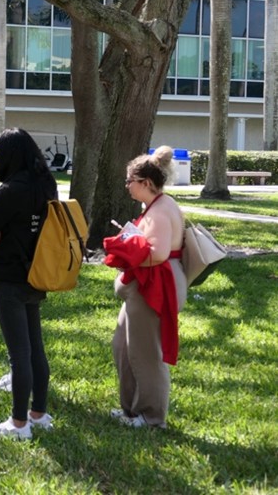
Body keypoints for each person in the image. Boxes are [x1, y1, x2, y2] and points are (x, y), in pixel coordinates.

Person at [0, 128, 57, 440]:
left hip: (10, 274)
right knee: (35, 347)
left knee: (18, 353)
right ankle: (39, 412)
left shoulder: (12, 189)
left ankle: (19, 424)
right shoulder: (46, 186)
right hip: (39, 272)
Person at [108, 146, 187, 429]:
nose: (127, 186)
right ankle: (131, 409)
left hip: (155, 286)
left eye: (130, 181)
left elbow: (158, 253)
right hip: (145, 286)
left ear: (146, 183)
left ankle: (151, 416)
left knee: (145, 353)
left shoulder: (161, 211)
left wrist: (127, 246)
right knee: (123, 346)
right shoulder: (155, 207)